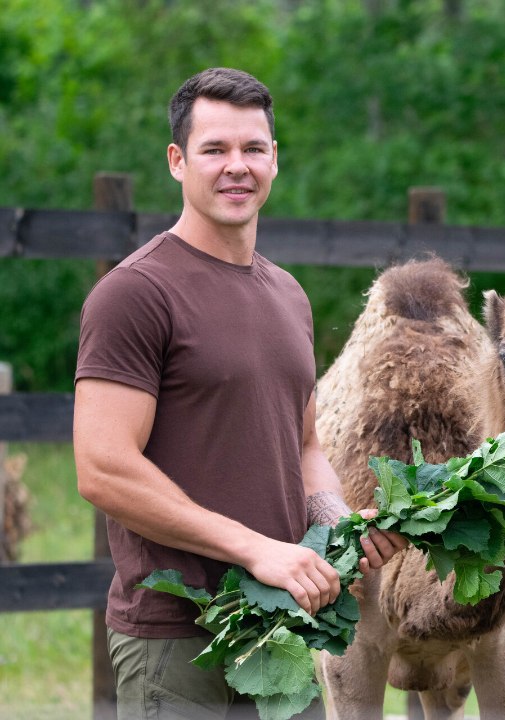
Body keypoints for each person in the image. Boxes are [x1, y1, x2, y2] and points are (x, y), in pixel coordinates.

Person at [73, 67, 408, 719]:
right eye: (215, 149)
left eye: (253, 149)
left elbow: (303, 442)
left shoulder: (287, 294)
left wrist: (335, 526)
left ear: (274, 160)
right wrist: (259, 549)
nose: (237, 167)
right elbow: (103, 468)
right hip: (178, 639)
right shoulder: (135, 293)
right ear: (177, 161)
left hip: (285, 629)